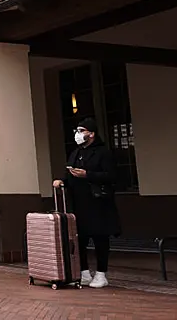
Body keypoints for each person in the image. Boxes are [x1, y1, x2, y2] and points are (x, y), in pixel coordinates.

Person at [53, 117, 121, 289]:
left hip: (98, 203)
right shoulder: (76, 153)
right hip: (78, 202)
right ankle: (83, 272)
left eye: (82, 130)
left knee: (100, 238)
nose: (78, 134)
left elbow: (112, 176)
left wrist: (88, 174)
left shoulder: (102, 152)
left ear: (91, 133)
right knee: (79, 239)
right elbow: (70, 174)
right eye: (77, 130)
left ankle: (101, 273)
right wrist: (63, 181)